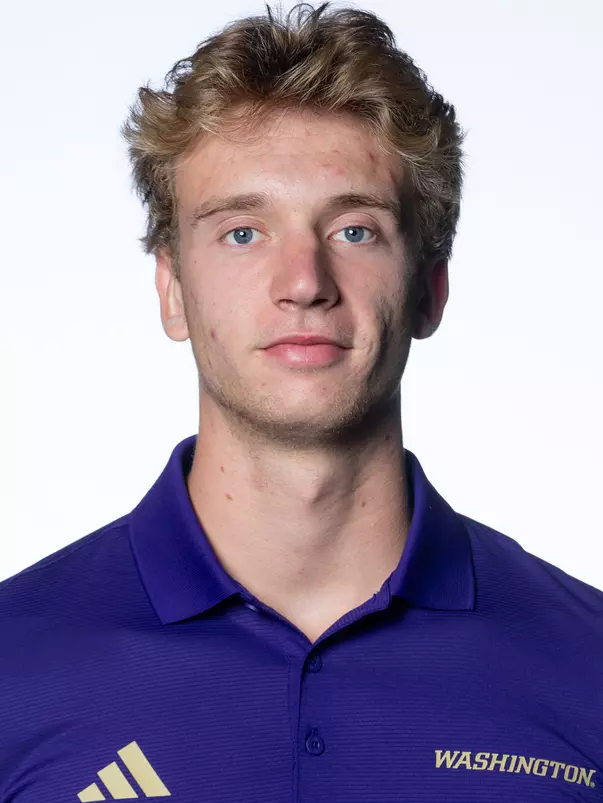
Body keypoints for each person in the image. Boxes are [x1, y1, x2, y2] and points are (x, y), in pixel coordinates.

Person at [1, 3, 601, 801]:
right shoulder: (15, 664)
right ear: (171, 288)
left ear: (429, 286)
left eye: (354, 230)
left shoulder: (584, 664)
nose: (303, 284)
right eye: (242, 232)